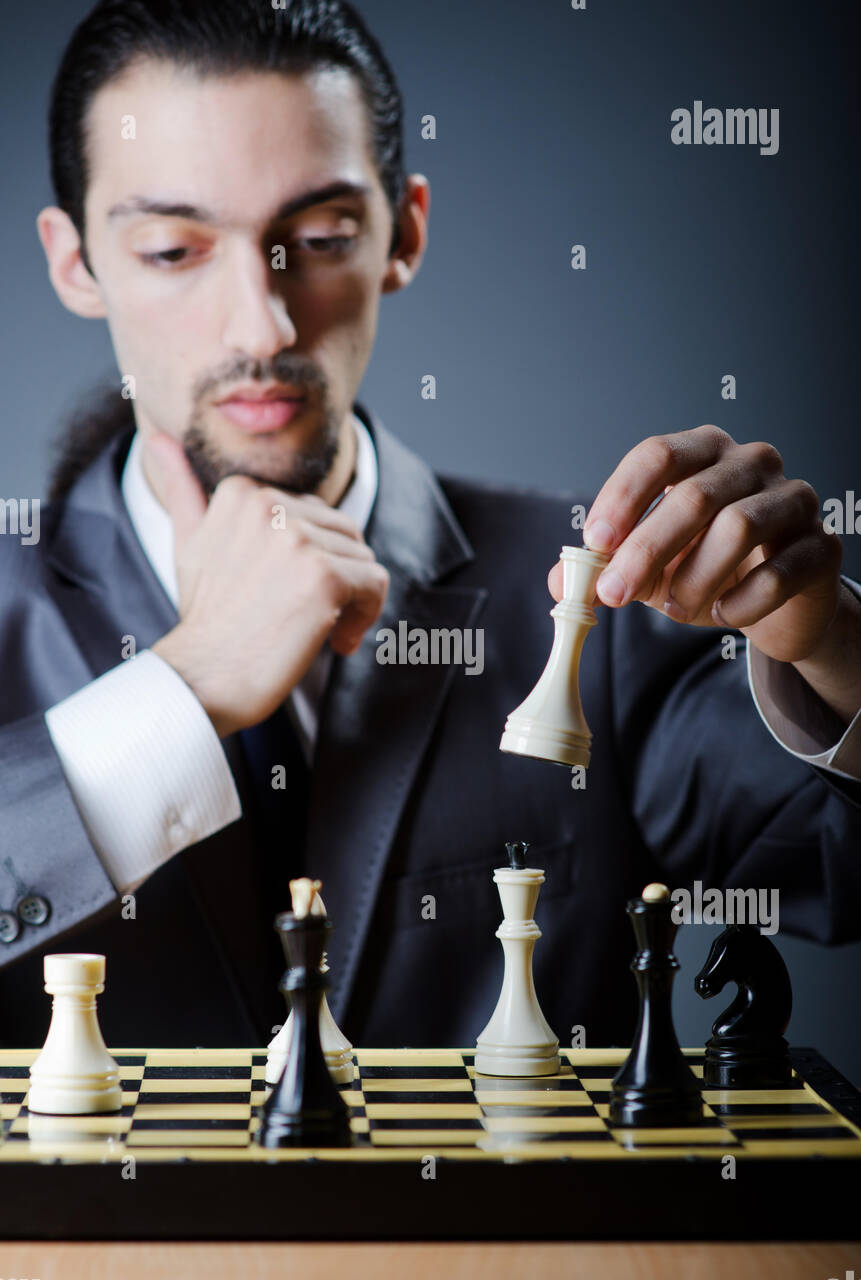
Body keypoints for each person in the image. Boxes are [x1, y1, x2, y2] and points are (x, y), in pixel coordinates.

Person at [1, 0, 859, 1050]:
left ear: (403, 231)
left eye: (318, 239)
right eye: (175, 250)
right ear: (76, 259)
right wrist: (179, 692)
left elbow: (838, 873)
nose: (264, 324)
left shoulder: (597, 592)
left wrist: (832, 647)